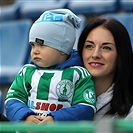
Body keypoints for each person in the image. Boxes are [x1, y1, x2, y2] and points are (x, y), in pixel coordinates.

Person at [5, 9, 96, 123]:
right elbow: (12, 100)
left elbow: (86, 108)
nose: (35, 51)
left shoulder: (78, 74)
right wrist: (25, 117)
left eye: (41, 45)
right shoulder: (26, 72)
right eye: (32, 45)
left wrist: (56, 120)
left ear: (62, 48)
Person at [77, 16, 133, 120]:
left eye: (106, 48)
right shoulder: (58, 94)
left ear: (121, 54)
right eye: (89, 46)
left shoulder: (130, 114)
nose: (95, 54)